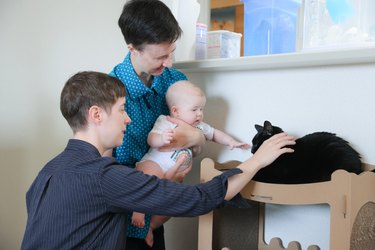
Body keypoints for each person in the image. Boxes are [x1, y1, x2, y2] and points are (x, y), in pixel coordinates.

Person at [21, 71, 295, 249]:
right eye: (122, 110)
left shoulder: (47, 172)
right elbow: (199, 199)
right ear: (96, 114)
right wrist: (257, 160)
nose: (128, 118)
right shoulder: (104, 177)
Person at [109, 1, 206, 249]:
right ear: (133, 49)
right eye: (161, 56)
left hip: (163, 201)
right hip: (125, 214)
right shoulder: (111, 92)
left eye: (172, 52)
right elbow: (106, 170)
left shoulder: (175, 81)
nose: (170, 62)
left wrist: (195, 138)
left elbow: (198, 138)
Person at [131, 80, 251, 245]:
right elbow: (151, 139)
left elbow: (215, 134)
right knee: (146, 177)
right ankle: (138, 210)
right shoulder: (166, 121)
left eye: (201, 109)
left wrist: (232, 142)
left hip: (176, 174)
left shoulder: (200, 127)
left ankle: (151, 226)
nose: (199, 114)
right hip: (156, 163)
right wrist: (161, 139)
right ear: (176, 111)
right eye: (194, 110)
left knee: (173, 206)